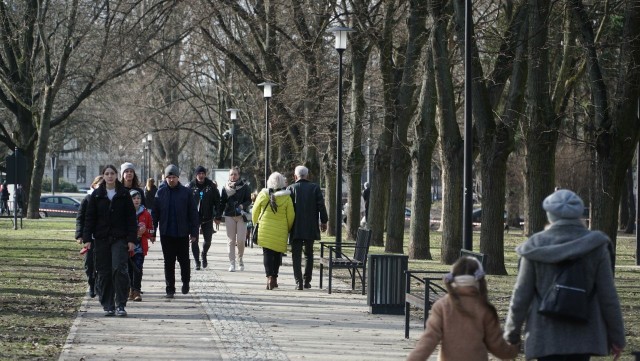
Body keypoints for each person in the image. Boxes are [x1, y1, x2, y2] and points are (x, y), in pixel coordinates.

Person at [504, 189, 626, 361]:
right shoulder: (596, 245)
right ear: (578, 213)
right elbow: (608, 296)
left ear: (549, 215)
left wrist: (511, 335)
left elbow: (521, 296)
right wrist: (617, 337)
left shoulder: (534, 246)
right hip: (583, 336)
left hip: (544, 335)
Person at [407, 256, 519, 361]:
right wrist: (514, 349)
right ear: (479, 280)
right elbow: (497, 345)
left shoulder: (442, 306)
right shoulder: (484, 308)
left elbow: (428, 341)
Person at [82, 165, 137, 317]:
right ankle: (108, 304)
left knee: (119, 269)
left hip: (120, 239)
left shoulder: (124, 195)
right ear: (103, 176)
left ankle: (120, 304)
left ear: (116, 175)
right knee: (104, 272)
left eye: (112, 173)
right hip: (101, 239)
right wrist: (86, 238)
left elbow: (131, 219)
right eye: (107, 174)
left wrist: (132, 239)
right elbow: (89, 218)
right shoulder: (97, 195)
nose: (110, 176)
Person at [152, 164, 199, 298]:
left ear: (178, 178)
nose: (171, 179)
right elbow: (155, 214)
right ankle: (170, 288)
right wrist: (153, 231)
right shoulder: (160, 193)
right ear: (165, 178)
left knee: (184, 261)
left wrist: (194, 232)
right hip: (166, 233)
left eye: (174, 177)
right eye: (169, 177)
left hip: (182, 232)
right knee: (169, 262)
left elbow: (193, 213)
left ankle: (185, 282)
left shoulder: (186, 192)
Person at [287, 165, 328, 290]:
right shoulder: (314, 188)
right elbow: (321, 205)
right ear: (307, 176)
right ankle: (307, 281)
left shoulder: (291, 188)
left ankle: (298, 281)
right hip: (311, 226)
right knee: (309, 254)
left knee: (296, 254)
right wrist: (324, 221)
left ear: (295, 176)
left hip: (296, 226)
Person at [252, 172, 294, 290]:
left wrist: (257, 223)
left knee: (267, 254)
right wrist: (288, 228)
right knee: (277, 254)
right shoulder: (286, 197)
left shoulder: (262, 194)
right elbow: (291, 215)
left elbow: (255, 211)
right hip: (281, 229)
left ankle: (269, 277)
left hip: (265, 228)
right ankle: (274, 277)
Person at [215, 167, 252, 272]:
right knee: (231, 241)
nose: (233, 176)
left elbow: (249, 200)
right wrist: (218, 216)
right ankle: (232, 263)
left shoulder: (245, 187)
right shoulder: (225, 188)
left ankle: (240, 258)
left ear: (239, 175)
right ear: (229, 176)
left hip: (241, 215)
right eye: (231, 174)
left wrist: (242, 206)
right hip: (229, 215)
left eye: (235, 174)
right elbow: (222, 202)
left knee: (241, 240)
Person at [75, 175, 103, 298]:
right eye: (99, 185)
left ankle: (99, 285)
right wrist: (79, 235)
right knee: (89, 264)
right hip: (89, 237)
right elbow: (80, 218)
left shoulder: (107, 199)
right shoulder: (87, 199)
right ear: (94, 185)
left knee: (101, 264)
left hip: (103, 237)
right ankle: (92, 284)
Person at [188, 166, 220, 270]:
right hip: (194, 218)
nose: (201, 175)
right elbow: (185, 202)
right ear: (196, 175)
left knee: (208, 241)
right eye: (199, 174)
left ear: (205, 174)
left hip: (208, 217)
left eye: (203, 173)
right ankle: (197, 261)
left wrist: (217, 215)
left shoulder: (211, 186)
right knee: (194, 240)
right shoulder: (190, 186)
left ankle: (204, 254)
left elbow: (217, 202)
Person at [128, 189, 154, 302]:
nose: (136, 200)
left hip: (140, 248)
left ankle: (137, 291)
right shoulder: (125, 212)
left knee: (138, 269)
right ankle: (130, 290)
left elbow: (151, 231)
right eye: (134, 198)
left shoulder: (146, 214)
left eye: (138, 198)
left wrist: (145, 232)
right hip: (127, 247)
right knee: (128, 270)